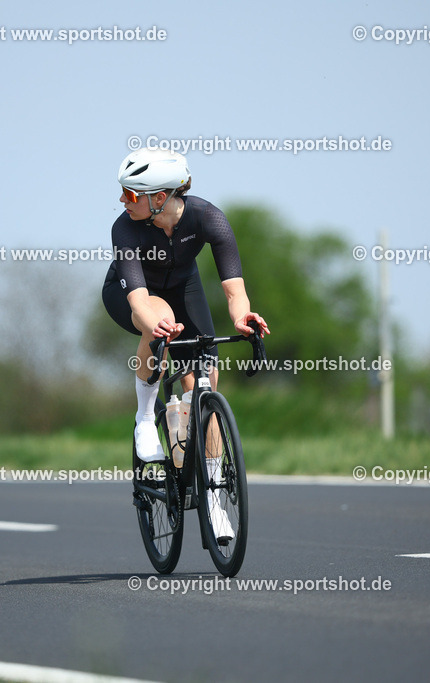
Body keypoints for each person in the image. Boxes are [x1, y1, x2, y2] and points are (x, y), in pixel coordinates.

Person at [102, 148, 269, 541]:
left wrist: (242, 317)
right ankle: (145, 416)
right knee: (154, 319)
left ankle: (213, 499)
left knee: (204, 385)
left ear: (158, 197)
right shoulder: (124, 228)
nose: (122, 201)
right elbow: (140, 303)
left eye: (130, 194)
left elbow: (234, 289)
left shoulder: (208, 217)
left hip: (184, 288)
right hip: (133, 293)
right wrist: (157, 326)